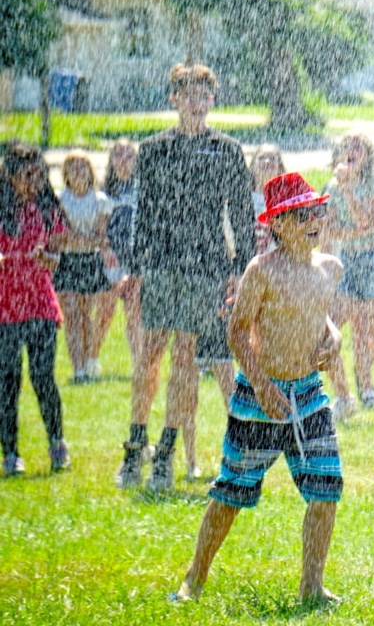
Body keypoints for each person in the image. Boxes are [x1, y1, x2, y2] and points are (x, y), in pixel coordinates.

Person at [174, 172, 343, 603]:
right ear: (278, 225)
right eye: (301, 214)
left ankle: (312, 586)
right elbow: (237, 331)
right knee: (232, 492)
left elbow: (317, 313)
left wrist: (335, 336)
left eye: (316, 211)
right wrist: (263, 385)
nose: (313, 220)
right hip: (260, 397)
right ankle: (195, 577)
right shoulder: (262, 271)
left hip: (307, 392)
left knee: (326, 488)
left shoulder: (329, 268)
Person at [117, 62, 255, 491]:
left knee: (186, 361)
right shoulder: (154, 149)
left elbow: (242, 216)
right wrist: (136, 268)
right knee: (149, 355)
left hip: (207, 265)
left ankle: (167, 450)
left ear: (212, 100)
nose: (196, 103)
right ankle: (135, 445)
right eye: (187, 94)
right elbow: (146, 214)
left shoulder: (228, 150)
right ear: (173, 98)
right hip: (160, 263)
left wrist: (241, 268)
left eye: (203, 95)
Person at [0, 143, 70, 476]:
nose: (35, 182)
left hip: (40, 301)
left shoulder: (47, 207)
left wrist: (49, 259)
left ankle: (57, 443)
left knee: (43, 377)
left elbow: (58, 256)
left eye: (39, 175)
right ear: (9, 176)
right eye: (28, 175)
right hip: (4, 306)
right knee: (7, 380)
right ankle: (11, 452)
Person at [324, 133, 374, 423]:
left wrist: (347, 192)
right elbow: (330, 229)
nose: (350, 153)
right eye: (346, 148)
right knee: (326, 333)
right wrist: (354, 229)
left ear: (367, 155)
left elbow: (363, 221)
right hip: (350, 263)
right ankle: (344, 397)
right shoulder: (333, 186)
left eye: (357, 148)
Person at [56, 150, 113, 383]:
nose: (79, 171)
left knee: (86, 316)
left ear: (90, 172)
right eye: (73, 166)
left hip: (89, 261)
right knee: (71, 316)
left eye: (83, 166)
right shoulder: (59, 199)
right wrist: (80, 237)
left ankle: (89, 359)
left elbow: (101, 238)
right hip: (67, 261)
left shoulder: (99, 201)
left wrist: (76, 237)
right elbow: (59, 236)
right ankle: (77, 368)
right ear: (66, 173)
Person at [92, 140, 142, 369]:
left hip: (134, 258)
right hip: (110, 256)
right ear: (111, 160)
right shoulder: (103, 190)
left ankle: (137, 362)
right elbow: (97, 226)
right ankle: (91, 359)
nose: (124, 160)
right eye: (119, 155)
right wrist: (105, 250)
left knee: (134, 312)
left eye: (129, 155)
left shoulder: (142, 188)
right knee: (105, 309)